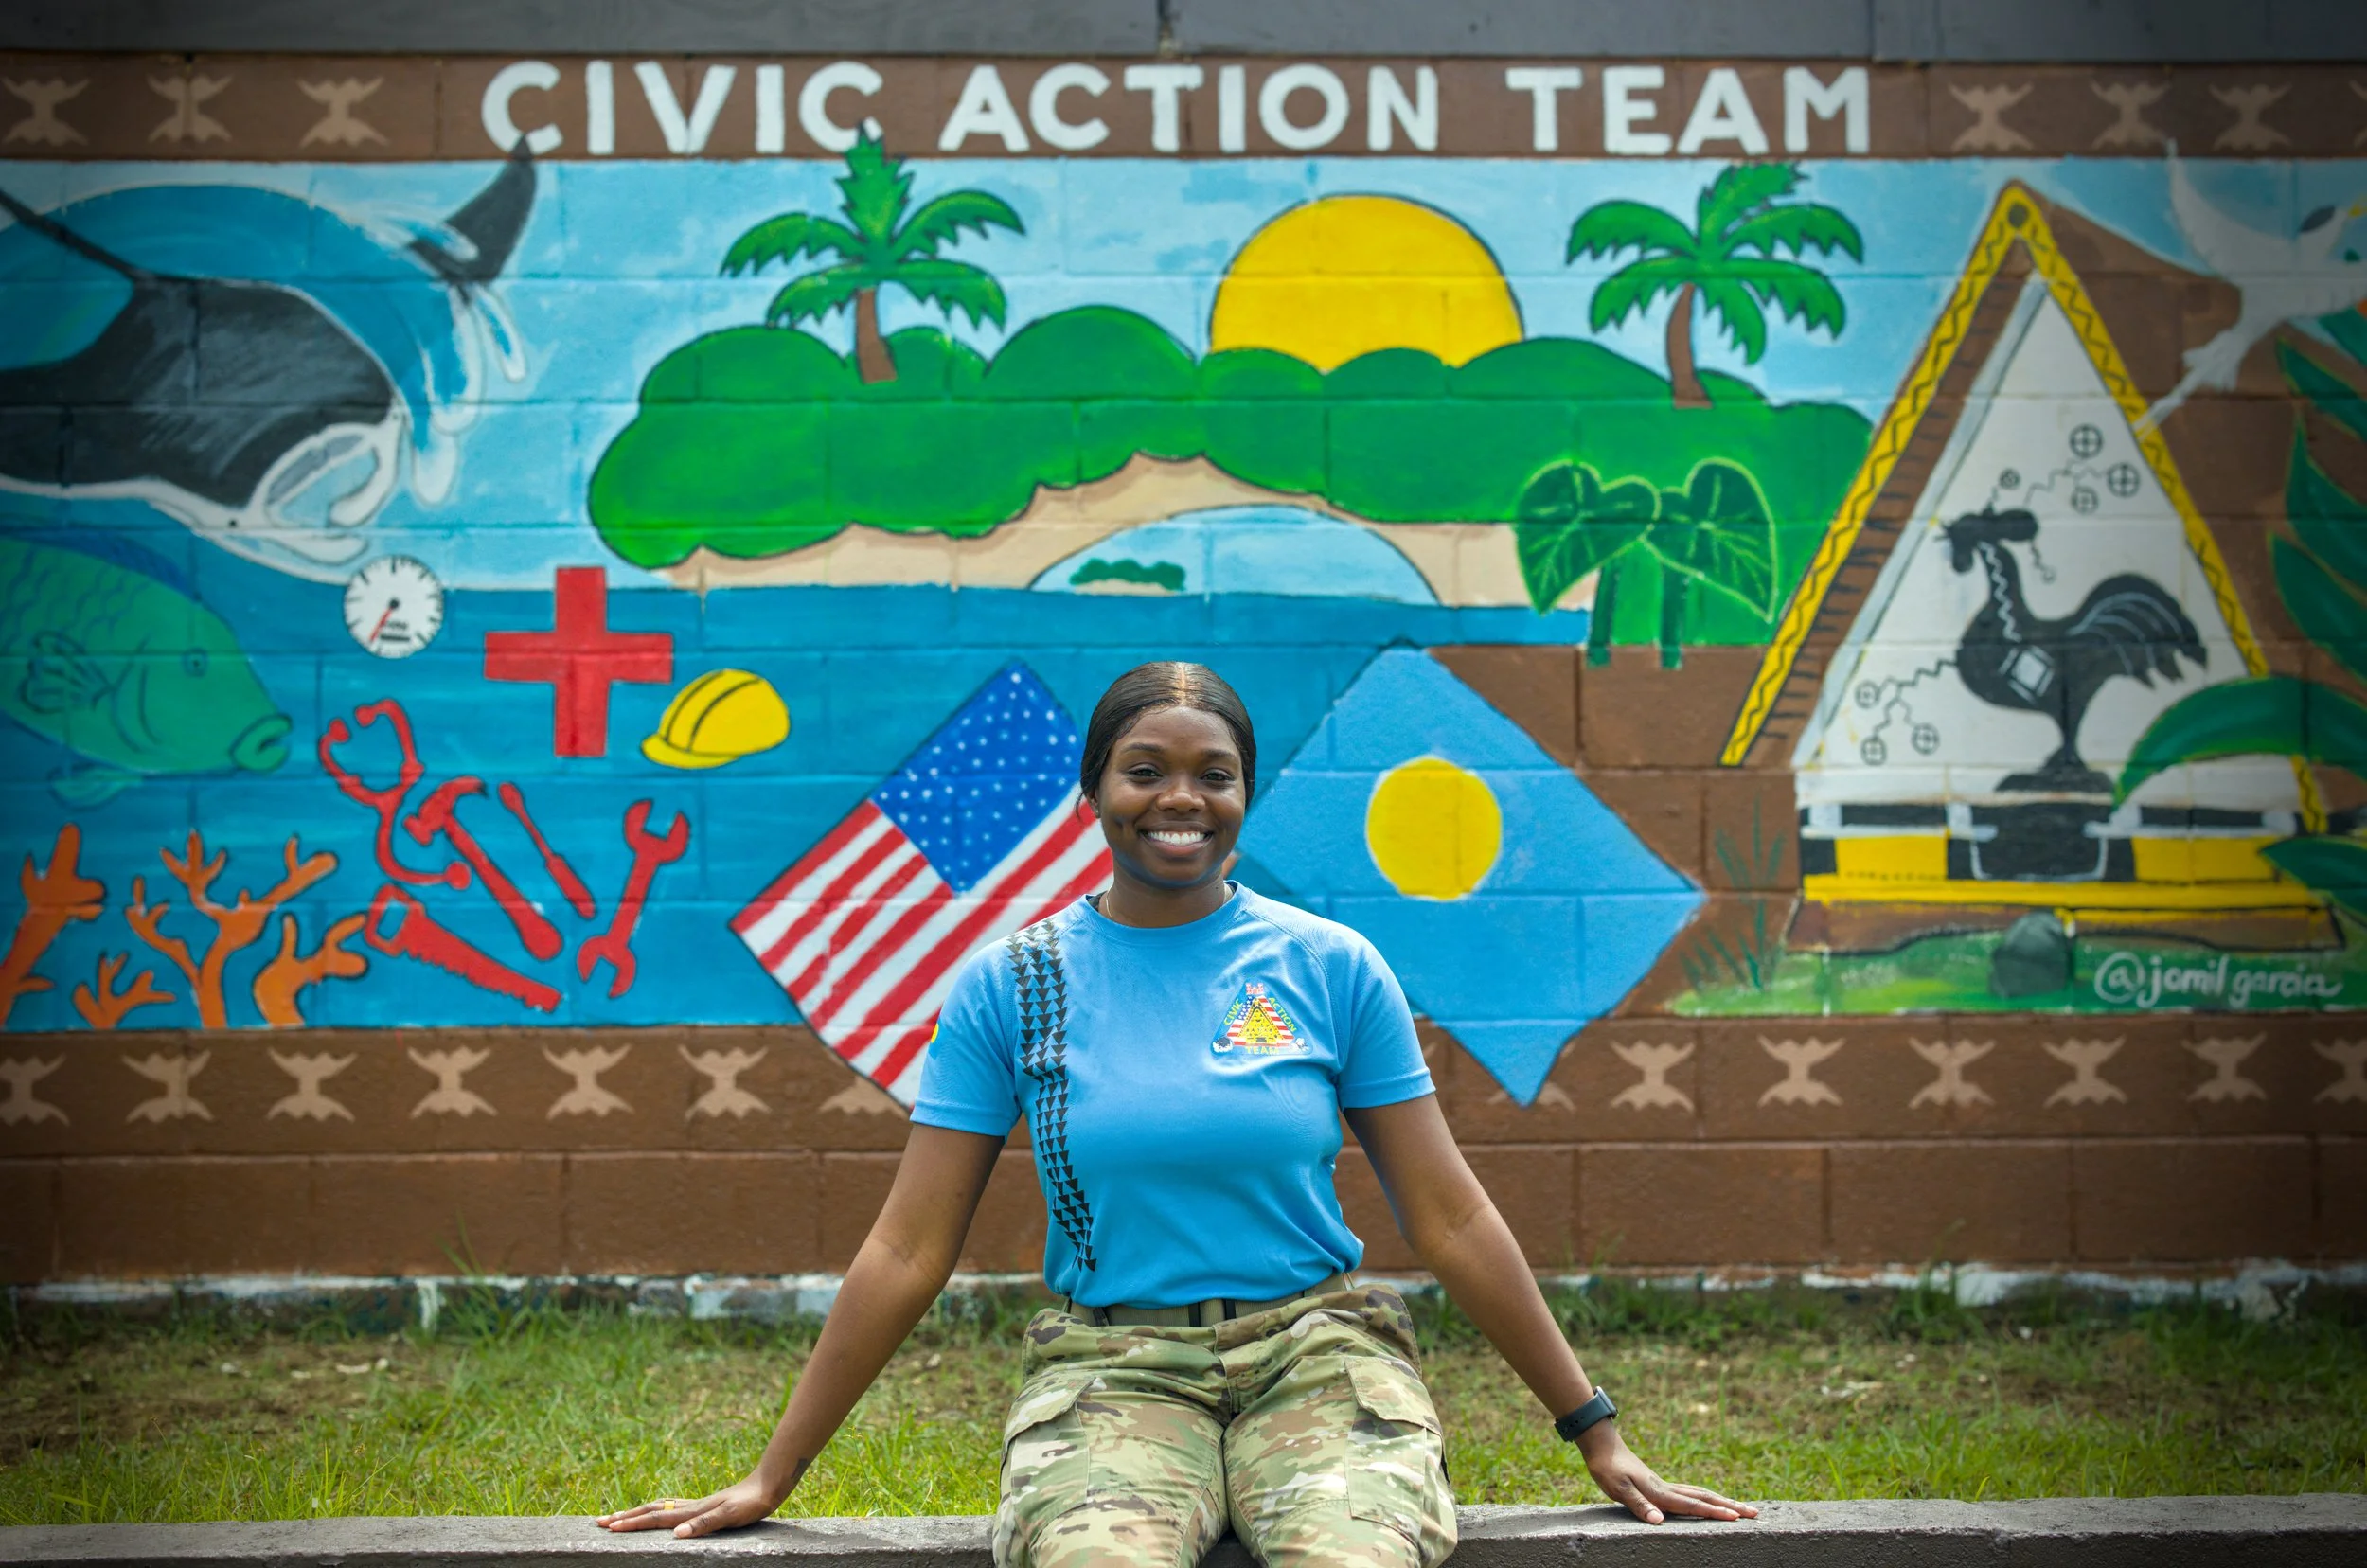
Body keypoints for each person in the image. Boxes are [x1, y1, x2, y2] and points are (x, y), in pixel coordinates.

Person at [598, 661, 1754, 1565]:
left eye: (1214, 773)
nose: (1180, 800)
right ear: (1095, 791)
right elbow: (908, 1246)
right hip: (1115, 1366)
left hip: (1317, 1353)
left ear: (1244, 793)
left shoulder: (1329, 966)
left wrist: (1593, 1430)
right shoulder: (1015, 984)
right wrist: (771, 1479)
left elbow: (1450, 1219)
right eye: (1144, 770)